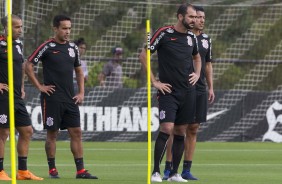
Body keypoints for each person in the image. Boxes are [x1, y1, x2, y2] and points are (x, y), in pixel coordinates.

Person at [25, 14, 98, 179]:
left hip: (70, 98)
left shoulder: (73, 48)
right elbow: (28, 65)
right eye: (64, 28)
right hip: (52, 98)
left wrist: (81, 92)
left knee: (77, 132)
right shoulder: (46, 46)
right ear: (55, 28)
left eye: (69, 28)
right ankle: (52, 169)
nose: (67, 32)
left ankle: (80, 171)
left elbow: (79, 71)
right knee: (52, 134)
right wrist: (39, 86)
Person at [139, 3, 201, 182]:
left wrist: (197, 73)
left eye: (196, 17)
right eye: (191, 17)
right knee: (167, 128)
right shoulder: (164, 33)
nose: (194, 20)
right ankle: (156, 171)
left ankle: (174, 173)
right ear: (180, 17)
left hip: (188, 92)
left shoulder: (192, 37)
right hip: (168, 91)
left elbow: (197, 57)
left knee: (181, 131)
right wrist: (154, 81)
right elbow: (144, 55)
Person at [163, 5, 215, 181]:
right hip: (182, 88)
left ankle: (186, 169)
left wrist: (211, 87)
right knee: (176, 129)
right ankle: (169, 168)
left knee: (193, 128)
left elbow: (207, 64)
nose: (200, 20)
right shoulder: (183, 36)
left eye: (202, 18)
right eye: (197, 17)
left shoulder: (206, 40)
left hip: (199, 89)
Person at [0, 15, 43, 181]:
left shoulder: (18, 45)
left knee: (27, 131)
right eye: (17, 27)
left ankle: (23, 171)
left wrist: (23, 87)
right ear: (6, 27)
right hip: (3, 96)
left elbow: (21, 67)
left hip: (17, 96)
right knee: (3, 132)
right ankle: (0, 171)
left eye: (21, 27)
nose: (20, 30)